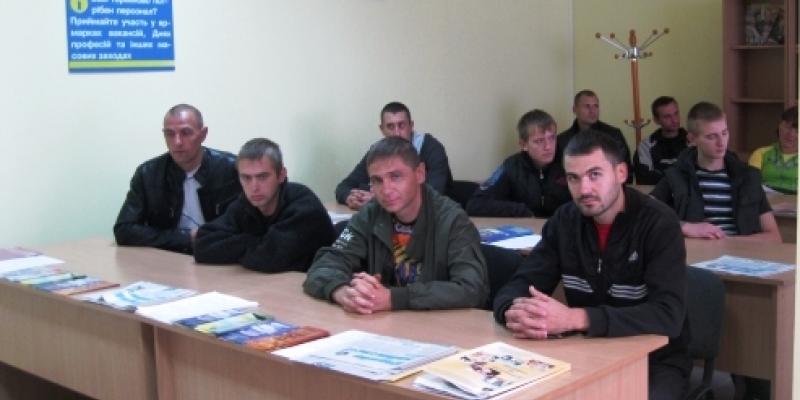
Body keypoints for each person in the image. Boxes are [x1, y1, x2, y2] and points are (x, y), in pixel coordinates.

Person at [492, 130, 690, 400]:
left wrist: (576, 318)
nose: (584, 189)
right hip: (586, 350)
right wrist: (513, 312)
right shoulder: (564, 222)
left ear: (621, 173)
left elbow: (668, 316)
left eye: (594, 175)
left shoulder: (658, 223)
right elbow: (519, 284)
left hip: (655, 360)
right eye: (573, 178)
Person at [304, 136, 488, 313]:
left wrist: (394, 298)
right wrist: (343, 292)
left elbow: (472, 289)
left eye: (396, 177)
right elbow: (325, 265)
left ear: (420, 174)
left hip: (436, 325)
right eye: (377, 180)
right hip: (381, 322)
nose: (386, 190)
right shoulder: (370, 214)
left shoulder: (453, 220)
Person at [114, 104, 241, 254]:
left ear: (203, 134)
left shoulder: (232, 170)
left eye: (186, 133)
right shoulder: (148, 174)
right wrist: (186, 238)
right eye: (169, 134)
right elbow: (124, 229)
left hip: (221, 256)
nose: (177, 142)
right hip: (171, 256)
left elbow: (247, 227)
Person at [194, 138, 336, 272]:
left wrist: (235, 245)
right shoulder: (245, 204)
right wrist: (256, 243)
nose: (254, 187)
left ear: (281, 175)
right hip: (265, 284)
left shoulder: (304, 205)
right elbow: (202, 244)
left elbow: (270, 259)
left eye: (262, 177)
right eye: (246, 178)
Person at [651, 101, 781, 242]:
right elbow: (643, 213)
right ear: (692, 139)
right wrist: (685, 227)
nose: (721, 142)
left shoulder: (747, 176)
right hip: (696, 252)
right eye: (711, 137)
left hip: (741, 251)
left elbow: (774, 236)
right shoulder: (676, 176)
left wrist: (729, 242)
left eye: (724, 133)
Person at [335, 101, 453, 210]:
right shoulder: (378, 152)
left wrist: (377, 200)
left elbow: (434, 194)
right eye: (390, 127)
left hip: (435, 218)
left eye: (401, 125)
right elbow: (344, 186)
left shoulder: (431, 148)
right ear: (382, 129)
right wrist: (350, 197)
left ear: (411, 126)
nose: (397, 133)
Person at [466, 109, 570, 217]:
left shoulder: (567, 163)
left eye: (552, 138)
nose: (548, 146)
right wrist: (521, 210)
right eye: (539, 141)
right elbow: (475, 204)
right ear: (523, 145)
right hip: (526, 225)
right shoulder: (511, 166)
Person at [556, 90, 633, 181]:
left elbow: (625, 168)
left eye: (596, 106)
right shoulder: (562, 140)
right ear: (574, 109)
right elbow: (558, 174)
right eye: (587, 106)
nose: (592, 111)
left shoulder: (613, 135)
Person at [633, 96, 689, 185]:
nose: (674, 120)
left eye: (676, 113)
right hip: (657, 193)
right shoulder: (646, 146)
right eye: (667, 117)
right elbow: (644, 178)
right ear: (656, 120)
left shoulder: (694, 142)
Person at [748, 106, 798, 194]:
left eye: (797, 130)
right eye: (787, 127)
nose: (791, 134)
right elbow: (751, 183)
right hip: (765, 200)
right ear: (779, 126)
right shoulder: (760, 153)